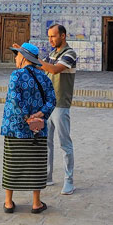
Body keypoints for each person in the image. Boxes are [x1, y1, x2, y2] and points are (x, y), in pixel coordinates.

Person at [0, 42, 56, 214]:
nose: (16, 58)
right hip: (37, 129)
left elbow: (14, 99)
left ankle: (9, 202)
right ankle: (36, 203)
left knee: (12, 162)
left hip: (15, 127)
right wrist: (38, 115)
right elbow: (52, 100)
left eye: (17, 55)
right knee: (35, 164)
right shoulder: (44, 77)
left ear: (23, 58)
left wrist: (26, 117)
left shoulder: (16, 76)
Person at [38, 23, 77, 194]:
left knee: (64, 144)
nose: (51, 39)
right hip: (48, 104)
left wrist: (35, 60)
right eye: (49, 36)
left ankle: (69, 181)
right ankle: (47, 176)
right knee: (46, 142)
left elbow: (54, 70)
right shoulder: (52, 54)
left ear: (63, 36)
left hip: (61, 104)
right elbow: (42, 68)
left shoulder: (69, 54)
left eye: (53, 36)